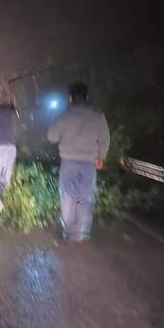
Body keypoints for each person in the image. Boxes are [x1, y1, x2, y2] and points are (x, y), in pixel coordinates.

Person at [47, 83, 110, 242]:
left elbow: (51, 137)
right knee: (86, 198)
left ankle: (68, 232)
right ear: (87, 97)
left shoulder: (64, 116)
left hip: (69, 163)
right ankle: (80, 233)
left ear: (70, 98)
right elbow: (105, 138)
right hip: (89, 163)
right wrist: (100, 157)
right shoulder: (98, 115)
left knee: (68, 198)